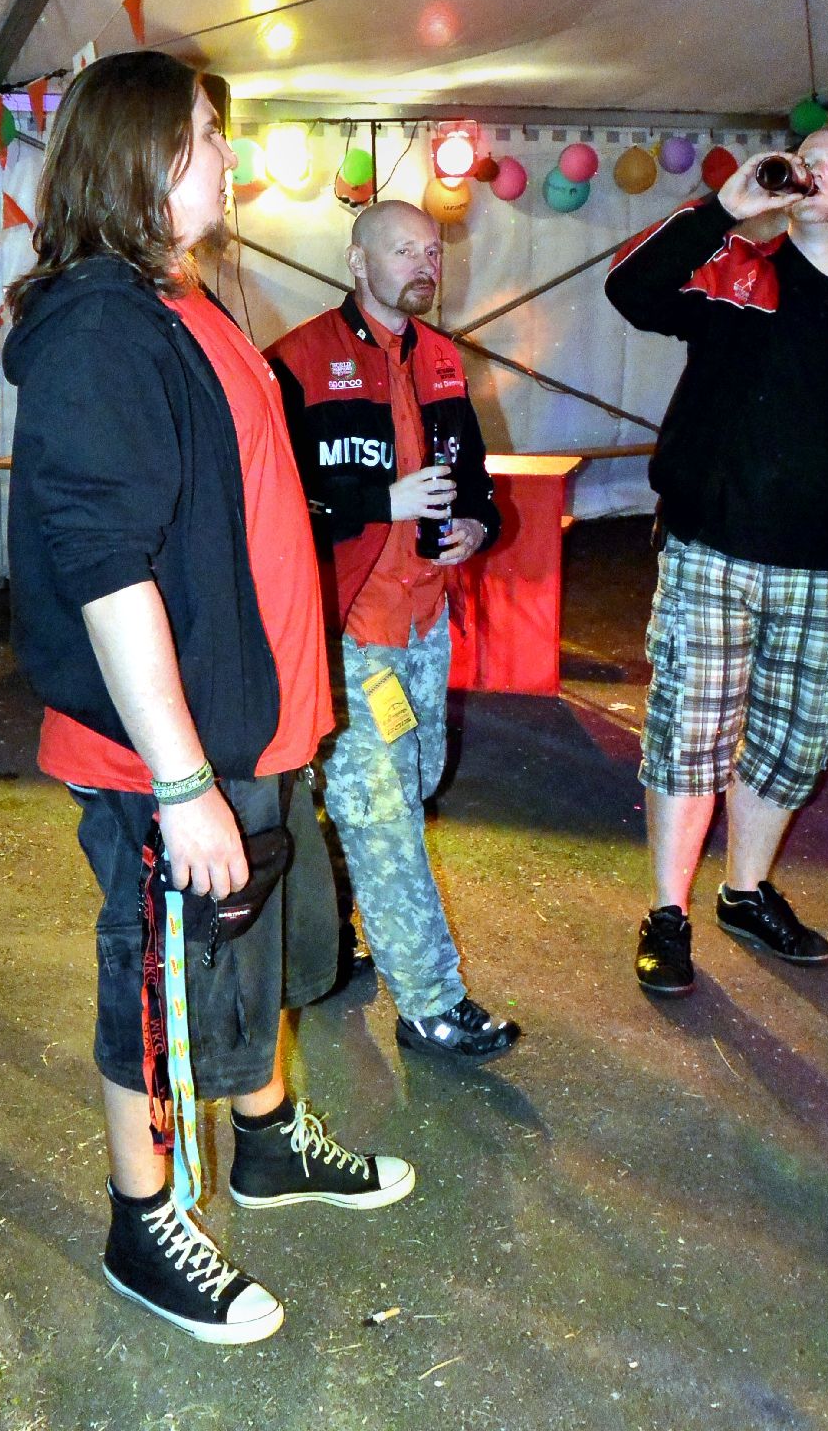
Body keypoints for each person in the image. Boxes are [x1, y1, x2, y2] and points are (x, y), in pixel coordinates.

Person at [2, 52, 414, 1347]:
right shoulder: (98, 327)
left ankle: (268, 1139)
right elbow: (104, 564)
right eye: (204, 136)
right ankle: (144, 1218)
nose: (229, 157)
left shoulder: (178, 300)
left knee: (250, 955)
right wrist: (182, 781)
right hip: (161, 750)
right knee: (158, 976)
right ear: (138, 155)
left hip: (247, 721)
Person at [605, 127, 828, 996]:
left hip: (824, 565)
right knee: (688, 734)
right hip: (710, 545)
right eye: (807, 158)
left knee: (792, 742)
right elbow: (629, 288)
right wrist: (722, 208)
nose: (817, 171)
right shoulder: (731, 269)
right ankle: (666, 914)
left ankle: (743, 895)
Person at [267, 200, 520, 1065]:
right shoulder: (296, 362)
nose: (423, 265)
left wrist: (477, 525)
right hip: (348, 631)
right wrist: (381, 502)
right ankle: (431, 1004)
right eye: (403, 250)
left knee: (409, 783)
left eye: (431, 252)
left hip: (423, 625)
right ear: (356, 261)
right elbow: (270, 505)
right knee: (383, 814)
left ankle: (337, 925)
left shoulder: (443, 358)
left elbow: (475, 482)